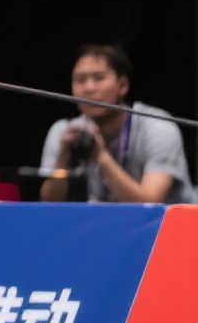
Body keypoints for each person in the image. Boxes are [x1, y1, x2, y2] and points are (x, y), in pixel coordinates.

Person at [38, 45, 195, 204]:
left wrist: (102, 158)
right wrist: (62, 158)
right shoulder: (64, 132)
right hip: (102, 219)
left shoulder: (158, 127)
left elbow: (149, 206)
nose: (89, 88)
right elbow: (49, 204)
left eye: (99, 78)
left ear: (122, 85)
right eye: (80, 80)